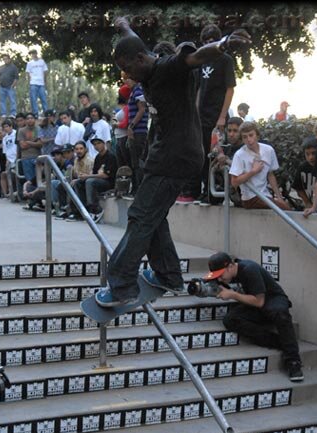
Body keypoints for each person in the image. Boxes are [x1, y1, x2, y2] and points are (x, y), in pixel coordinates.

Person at [95, 16, 250, 308]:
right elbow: (134, 38)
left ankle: (121, 286)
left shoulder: (169, 67)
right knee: (153, 217)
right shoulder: (146, 66)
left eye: (128, 68)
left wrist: (224, 44)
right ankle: (168, 274)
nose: (127, 76)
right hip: (167, 156)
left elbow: (196, 57)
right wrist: (125, 25)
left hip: (174, 158)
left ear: (141, 58)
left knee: (140, 217)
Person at [203, 252, 304, 381]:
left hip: (271, 299)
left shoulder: (249, 269)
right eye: (217, 277)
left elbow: (259, 301)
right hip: (254, 305)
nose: (220, 280)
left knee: (280, 314)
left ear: (230, 266)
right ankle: (279, 342)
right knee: (230, 320)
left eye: (221, 276)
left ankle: (293, 362)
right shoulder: (228, 275)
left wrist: (232, 295)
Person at [193, 24, 236, 206]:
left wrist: (222, 116)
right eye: (206, 42)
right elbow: (199, 89)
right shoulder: (201, 61)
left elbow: (230, 89)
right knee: (201, 154)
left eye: (212, 41)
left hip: (216, 115)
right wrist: (194, 113)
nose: (209, 44)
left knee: (215, 154)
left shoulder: (225, 60)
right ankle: (203, 190)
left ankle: (214, 193)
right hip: (200, 115)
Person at [229, 121, 292, 210]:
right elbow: (234, 182)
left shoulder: (268, 150)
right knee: (285, 209)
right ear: (242, 139)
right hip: (250, 197)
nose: (249, 139)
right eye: (245, 137)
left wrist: (280, 198)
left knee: (285, 207)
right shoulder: (239, 155)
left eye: (251, 135)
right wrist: (253, 171)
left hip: (265, 194)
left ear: (257, 135)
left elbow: (270, 175)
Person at [73, 136, 117, 223]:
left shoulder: (110, 156)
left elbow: (105, 175)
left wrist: (88, 176)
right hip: (98, 181)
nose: (97, 146)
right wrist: (83, 177)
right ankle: (83, 210)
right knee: (78, 182)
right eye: (94, 144)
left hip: (108, 182)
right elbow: (94, 173)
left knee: (90, 181)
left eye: (99, 143)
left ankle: (95, 210)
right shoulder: (97, 157)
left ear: (104, 144)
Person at [208, 115, 243, 206]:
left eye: (235, 131)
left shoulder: (246, 150)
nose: (231, 134)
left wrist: (227, 161)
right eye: (229, 130)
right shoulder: (227, 149)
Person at [60, 140, 94, 221]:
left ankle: (78, 213)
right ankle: (66, 210)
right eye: (77, 149)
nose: (79, 151)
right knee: (62, 184)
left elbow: (90, 175)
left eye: (81, 149)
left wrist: (77, 179)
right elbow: (75, 174)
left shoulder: (89, 160)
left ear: (85, 149)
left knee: (76, 184)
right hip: (79, 180)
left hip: (87, 181)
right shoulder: (76, 160)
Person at [126, 78, 148, 194]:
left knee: (138, 160)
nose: (126, 82)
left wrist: (131, 126)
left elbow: (142, 109)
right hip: (135, 131)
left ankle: (141, 188)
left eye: (128, 79)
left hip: (138, 130)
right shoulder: (133, 91)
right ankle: (136, 187)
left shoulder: (138, 90)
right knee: (134, 161)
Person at [291, 136, 317, 209]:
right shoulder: (302, 168)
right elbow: (298, 187)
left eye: (314, 153)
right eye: (307, 154)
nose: (311, 157)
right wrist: (307, 202)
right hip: (311, 203)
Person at [16, 112, 42, 186]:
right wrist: (34, 141)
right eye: (28, 118)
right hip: (26, 158)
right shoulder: (21, 130)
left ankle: (39, 195)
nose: (30, 120)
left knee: (39, 178)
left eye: (31, 118)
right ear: (25, 120)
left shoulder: (39, 129)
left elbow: (40, 144)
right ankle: (31, 196)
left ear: (35, 119)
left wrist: (28, 142)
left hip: (38, 157)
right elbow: (22, 146)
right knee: (29, 180)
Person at [111, 84, 131, 168]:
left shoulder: (127, 107)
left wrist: (116, 124)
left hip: (124, 137)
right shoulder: (123, 107)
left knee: (126, 163)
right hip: (118, 137)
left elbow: (126, 123)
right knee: (120, 164)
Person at [25, 49, 48, 117]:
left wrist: (45, 81)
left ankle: (46, 113)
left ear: (36, 54)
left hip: (41, 83)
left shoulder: (42, 61)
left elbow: (45, 71)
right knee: (33, 99)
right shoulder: (29, 63)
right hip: (33, 83)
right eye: (31, 54)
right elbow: (27, 73)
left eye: (33, 53)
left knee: (43, 99)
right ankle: (35, 114)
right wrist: (29, 82)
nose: (32, 55)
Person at [0, 52, 19, 118]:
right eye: (4, 59)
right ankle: (3, 114)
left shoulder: (14, 67)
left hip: (10, 87)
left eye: (6, 59)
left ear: (9, 59)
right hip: (2, 87)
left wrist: (13, 85)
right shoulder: (1, 67)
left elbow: (16, 78)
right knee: (2, 101)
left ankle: (13, 114)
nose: (5, 60)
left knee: (12, 101)